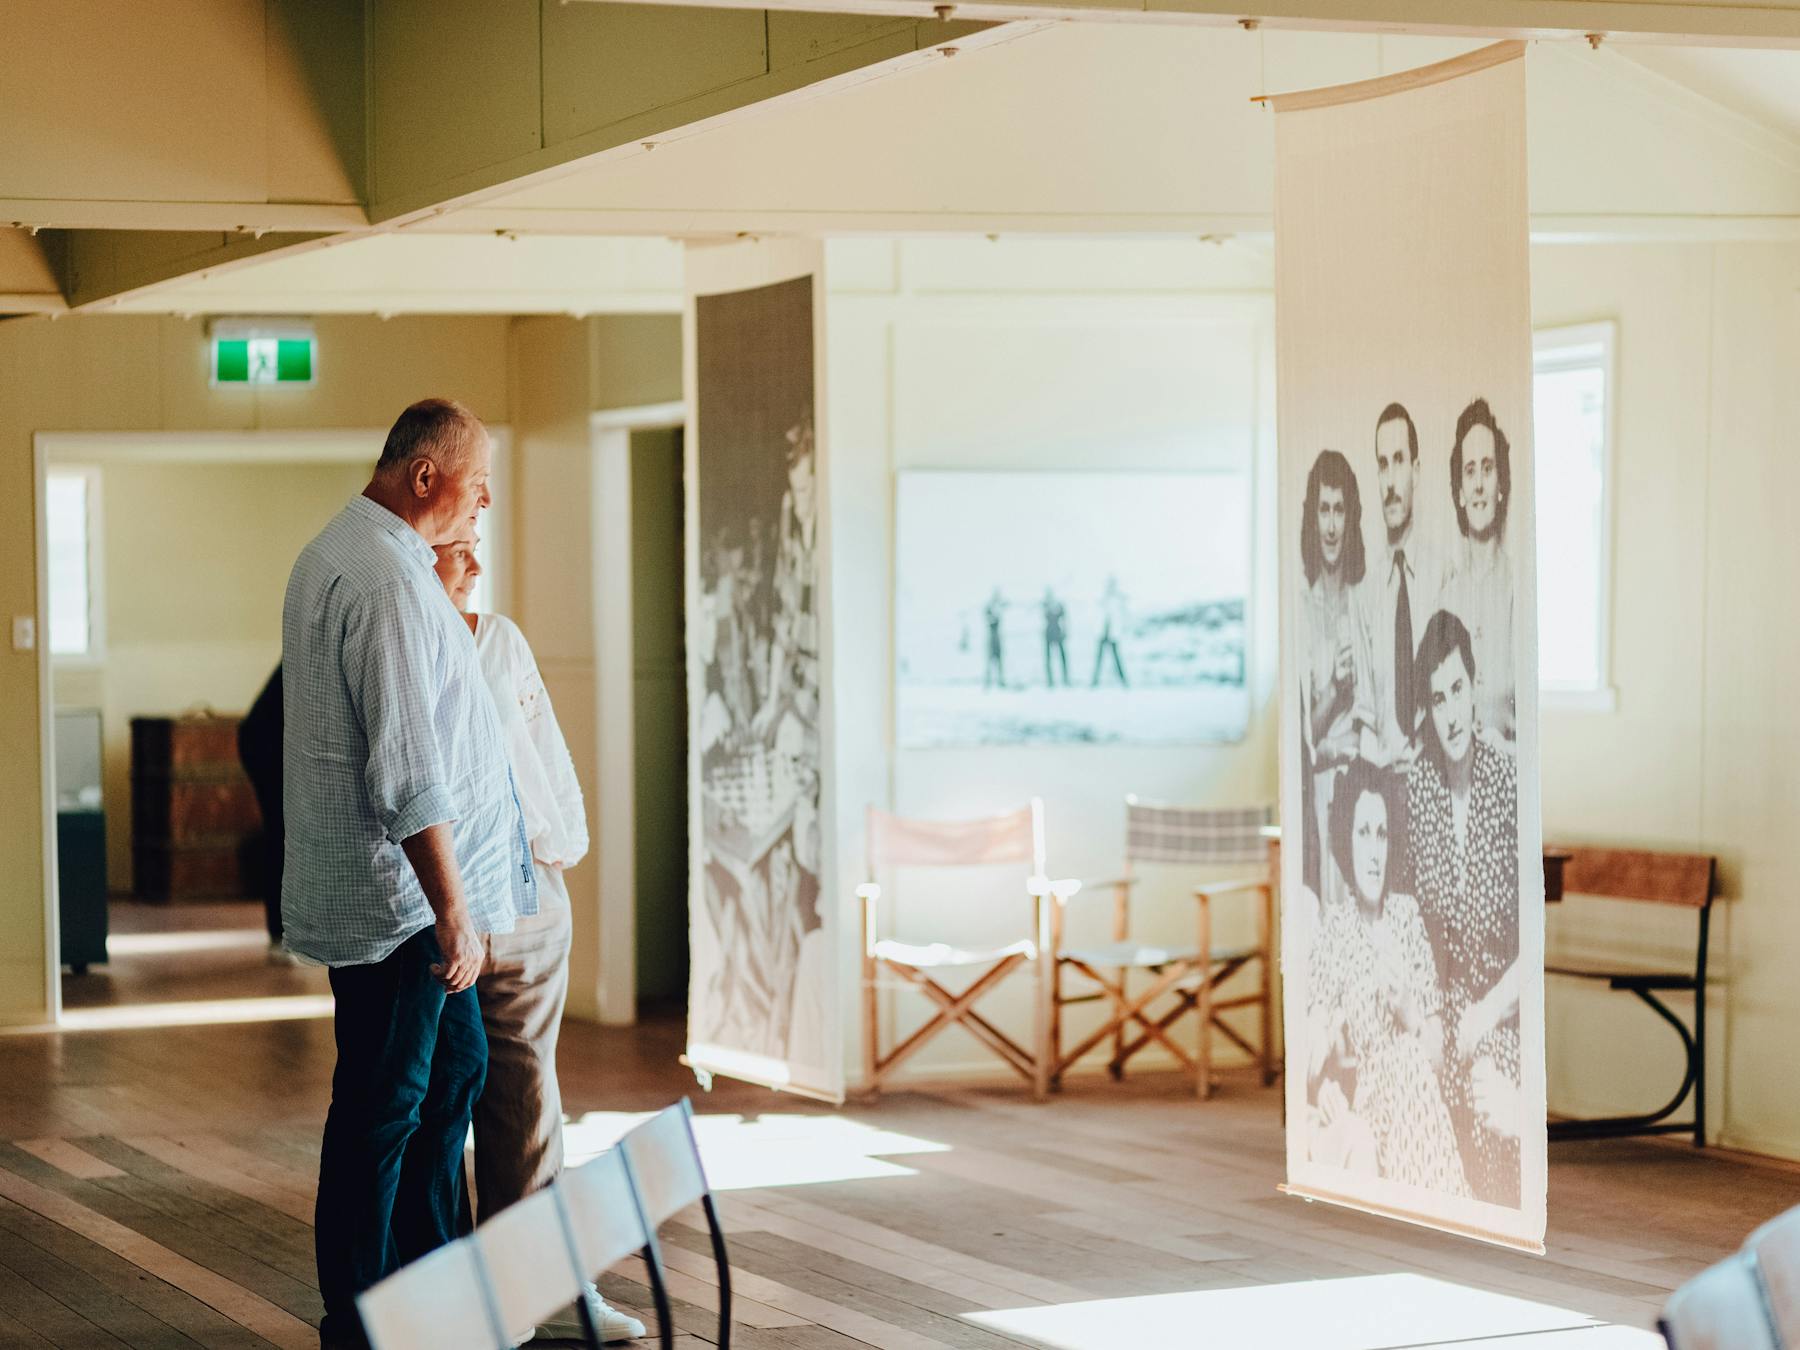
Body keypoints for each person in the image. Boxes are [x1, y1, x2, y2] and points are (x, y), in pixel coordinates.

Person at [282, 398, 534, 1349]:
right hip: (401, 906)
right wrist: (456, 912)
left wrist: (451, 595)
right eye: (476, 491)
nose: (484, 511)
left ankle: (432, 1292)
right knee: (382, 1108)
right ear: (425, 479)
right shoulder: (383, 579)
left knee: (455, 1071)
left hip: (407, 900)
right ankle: (360, 1319)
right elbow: (407, 768)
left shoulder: (357, 554)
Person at [431, 535, 645, 1344]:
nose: (475, 565)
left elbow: (546, 756)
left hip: (527, 898)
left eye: (475, 549)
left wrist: (557, 857)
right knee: (442, 1102)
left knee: (529, 1097)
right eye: (458, 552)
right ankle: (461, 1291)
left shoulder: (501, 637)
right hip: (438, 913)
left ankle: (540, 1286)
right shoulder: (398, 640)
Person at [1307, 757, 1467, 1195]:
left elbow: (1436, 1056)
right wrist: (1318, 1085)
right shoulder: (1336, 930)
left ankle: (1431, 1198)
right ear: (1346, 840)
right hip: (1370, 1098)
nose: (1374, 850)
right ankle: (1443, 1200)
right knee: (1403, 1061)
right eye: (1363, 833)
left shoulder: (1407, 916)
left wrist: (1411, 1014)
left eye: (1382, 834)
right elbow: (1314, 1033)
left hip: (1415, 1098)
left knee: (1411, 1060)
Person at [1407, 609, 1521, 1209]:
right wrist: (1431, 1018)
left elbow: (1536, 940)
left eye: (1457, 690)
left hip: (1502, 1010)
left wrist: (1488, 1013)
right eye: (1436, 698)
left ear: (1473, 688)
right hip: (1441, 1012)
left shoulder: (1507, 781)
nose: (1449, 711)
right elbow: (1409, 927)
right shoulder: (1418, 787)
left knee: (1490, 1096)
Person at [1299, 450, 1376, 903]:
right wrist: (1335, 689)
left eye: (1339, 509)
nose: (1331, 525)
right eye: (1323, 510)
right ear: (1314, 518)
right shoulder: (1303, 612)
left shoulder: (1364, 602)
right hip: (1322, 789)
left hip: (1365, 788)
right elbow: (1304, 736)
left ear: (1351, 517)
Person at [1365, 403, 1443, 765]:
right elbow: (1364, 715)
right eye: (1383, 465)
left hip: (1435, 778)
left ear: (1416, 471)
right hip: (1383, 788)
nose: (1391, 481)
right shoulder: (1365, 593)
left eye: (1399, 461)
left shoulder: (1444, 577)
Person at [1443, 398, 1516, 747]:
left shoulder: (1518, 589)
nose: (1479, 486)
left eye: (1488, 469)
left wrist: (1503, 748)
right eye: (1469, 471)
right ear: (1459, 492)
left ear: (1501, 486)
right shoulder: (1447, 597)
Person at [236, 664, 289, 961]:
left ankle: (282, 934)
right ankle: (279, 937)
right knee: (280, 835)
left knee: (281, 835)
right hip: (267, 743)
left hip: (270, 739)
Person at [1091, 576, 1129, 688]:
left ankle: (1123, 681)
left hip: (1112, 633)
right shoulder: (1102, 598)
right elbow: (1097, 616)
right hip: (1103, 632)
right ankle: (1095, 681)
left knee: (1117, 659)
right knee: (1099, 659)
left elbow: (1122, 616)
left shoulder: (1118, 599)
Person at [1042, 587, 1070, 688]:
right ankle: (1050, 681)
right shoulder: (1045, 605)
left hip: (1058, 632)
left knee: (1063, 657)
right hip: (1048, 633)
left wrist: (1065, 631)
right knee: (1048, 658)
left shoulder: (1059, 605)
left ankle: (1066, 679)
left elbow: (1064, 618)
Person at [982, 588, 1007, 689]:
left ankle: (1001, 681)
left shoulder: (999, 607)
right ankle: (987, 682)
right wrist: (993, 616)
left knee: (1000, 661)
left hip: (998, 637)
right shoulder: (989, 608)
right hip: (991, 637)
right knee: (989, 660)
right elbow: (987, 618)